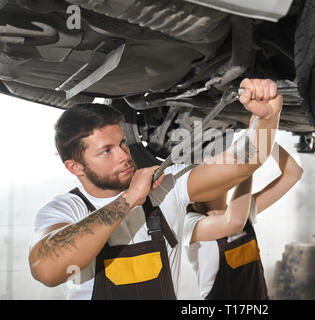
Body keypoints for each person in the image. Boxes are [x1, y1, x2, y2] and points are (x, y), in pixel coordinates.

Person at [27, 78, 283, 300]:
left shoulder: (163, 187)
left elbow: (242, 163)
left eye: (122, 143)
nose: (124, 156)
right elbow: (47, 270)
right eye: (106, 151)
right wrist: (127, 200)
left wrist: (266, 119)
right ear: (75, 167)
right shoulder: (66, 209)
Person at [183, 142, 303, 299]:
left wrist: (266, 137)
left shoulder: (242, 209)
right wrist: (247, 169)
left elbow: (293, 174)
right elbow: (233, 222)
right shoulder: (190, 223)